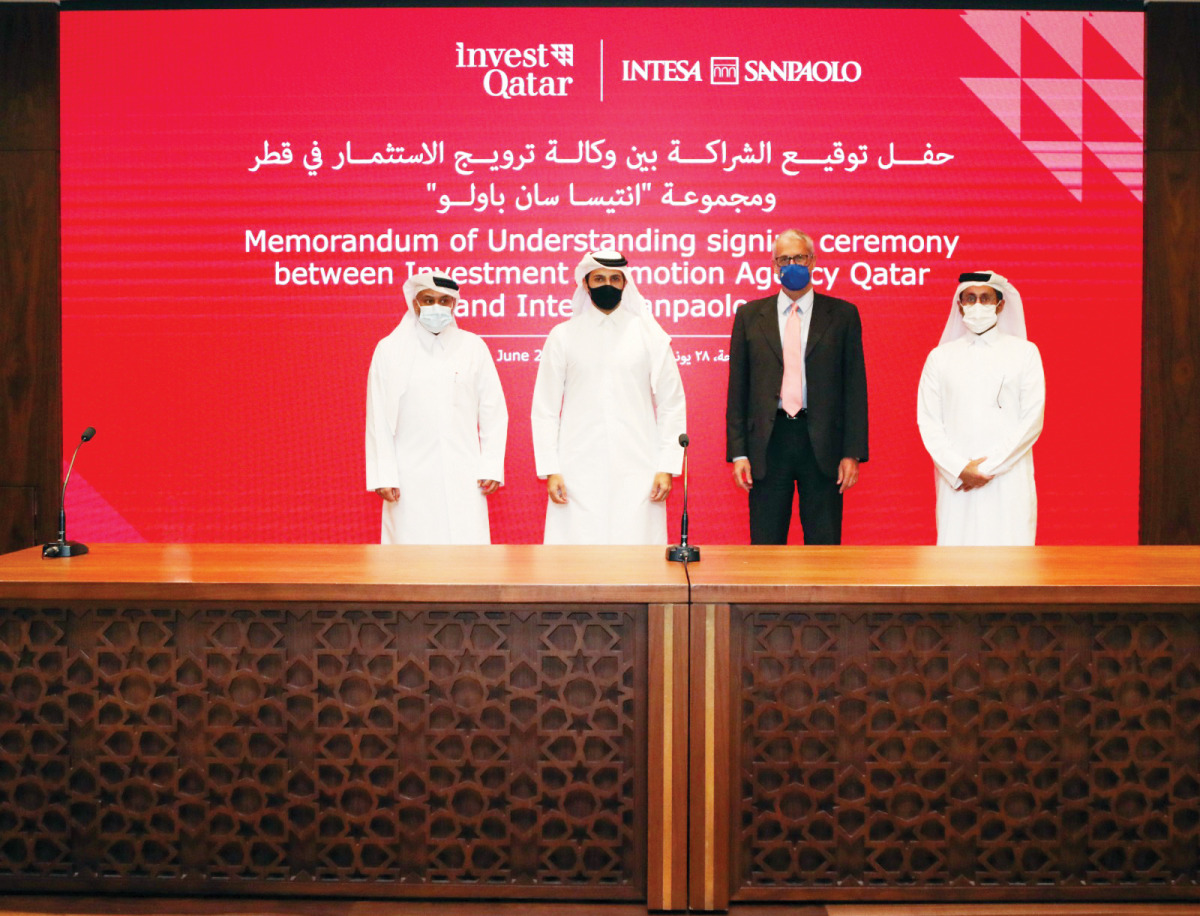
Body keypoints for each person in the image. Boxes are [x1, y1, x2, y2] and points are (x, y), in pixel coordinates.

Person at [530, 250, 687, 544]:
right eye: (599, 278)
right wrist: (551, 469)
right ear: (586, 284)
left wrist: (666, 466)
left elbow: (672, 405)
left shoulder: (650, 335)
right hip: (576, 470)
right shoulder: (562, 336)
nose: (608, 285)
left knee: (637, 552)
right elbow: (545, 410)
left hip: (639, 468)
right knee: (577, 554)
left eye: (615, 279)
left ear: (625, 283)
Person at [725, 229, 868, 544]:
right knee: (766, 545)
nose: (792, 265)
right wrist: (738, 453)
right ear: (774, 266)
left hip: (823, 444)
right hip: (768, 442)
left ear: (813, 261)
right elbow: (738, 389)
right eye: (784, 259)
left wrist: (852, 453)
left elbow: (855, 388)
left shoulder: (843, 315)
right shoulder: (749, 316)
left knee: (824, 546)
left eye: (799, 258)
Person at [365, 270, 508, 544]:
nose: (436, 307)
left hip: (465, 473)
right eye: (428, 300)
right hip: (408, 477)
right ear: (415, 303)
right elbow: (378, 419)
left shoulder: (473, 347)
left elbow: (494, 412)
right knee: (410, 554)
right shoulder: (389, 350)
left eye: (444, 301)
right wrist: (384, 474)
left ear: (454, 304)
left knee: (466, 551)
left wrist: (490, 466)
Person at [916, 271, 1045, 545]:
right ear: (960, 304)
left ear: (1000, 304)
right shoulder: (940, 358)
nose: (977, 305)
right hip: (957, 484)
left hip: (1008, 480)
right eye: (970, 298)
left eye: (985, 298)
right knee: (955, 561)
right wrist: (960, 468)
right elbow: (929, 422)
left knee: (1012, 560)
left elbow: (1032, 420)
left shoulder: (1025, 353)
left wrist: (987, 468)